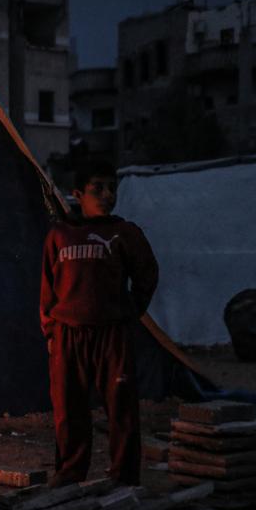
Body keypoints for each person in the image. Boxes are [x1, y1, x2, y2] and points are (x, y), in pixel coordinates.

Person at [40, 160, 159, 487]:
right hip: (67, 334)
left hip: (111, 335)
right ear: (78, 194)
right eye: (98, 189)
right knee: (69, 410)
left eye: (112, 189)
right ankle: (69, 474)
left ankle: (123, 478)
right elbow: (48, 288)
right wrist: (50, 331)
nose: (107, 195)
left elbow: (147, 275)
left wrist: (129, 311)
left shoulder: (125, 233)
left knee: (121, 408)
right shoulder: (60, 235)